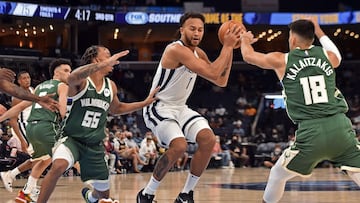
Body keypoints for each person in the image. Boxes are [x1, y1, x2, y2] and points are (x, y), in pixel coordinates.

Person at [240, 18, 360, 203]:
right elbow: (338, 55)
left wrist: (244, 41)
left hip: (311, 130)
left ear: (293, 39)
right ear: (312, 38)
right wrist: (320, 31)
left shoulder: (282, 59)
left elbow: (249, 56)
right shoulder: (328, 56)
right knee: (356, 172)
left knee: (277, 174)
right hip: (340, 126)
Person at [137, 12, 241, 203]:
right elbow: (212, 71)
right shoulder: (175, 50)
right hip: (158, 106)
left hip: (180, 108)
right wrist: (226, 45)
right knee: (179, 145)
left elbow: (221, 80)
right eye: (192, 28)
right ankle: (147, 194)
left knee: (208, 139)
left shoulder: (199, 53)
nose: (197, 33)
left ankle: (186, 194)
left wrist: (231, 49)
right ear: (182, 30)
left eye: (200, 29)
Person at [36, 46, 159, 203]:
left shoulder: (111, 85)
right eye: (107, 55)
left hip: (94, 145)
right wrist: (104, 63)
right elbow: (72, 77)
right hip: (72, 138)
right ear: (96, 59)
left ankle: (90, 197)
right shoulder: (81, 80)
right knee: (59, 166)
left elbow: (117, 108)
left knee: (103, 195)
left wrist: (144, 103)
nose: (113, 59)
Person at [0, 59, 72, 202]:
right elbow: (63, 112)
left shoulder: (38, 88)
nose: (69, 74)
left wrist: (1, 118)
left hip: (32, 127)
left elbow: (19, 107)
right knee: (69, 153)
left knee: (43, 158)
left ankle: (24, 189)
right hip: (44, 126)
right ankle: (98, 188)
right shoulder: (63, 86)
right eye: (66, 71)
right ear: (56, 72)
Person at [9, 71, 34, 153]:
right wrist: (22, 140)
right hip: (23, 124)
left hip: (35, 123)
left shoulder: (32, 90)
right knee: (29, 152)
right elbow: (13, 119)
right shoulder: (17, 97)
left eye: (28, 77)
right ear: (19, 81)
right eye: (24, 78)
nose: (27, 80)